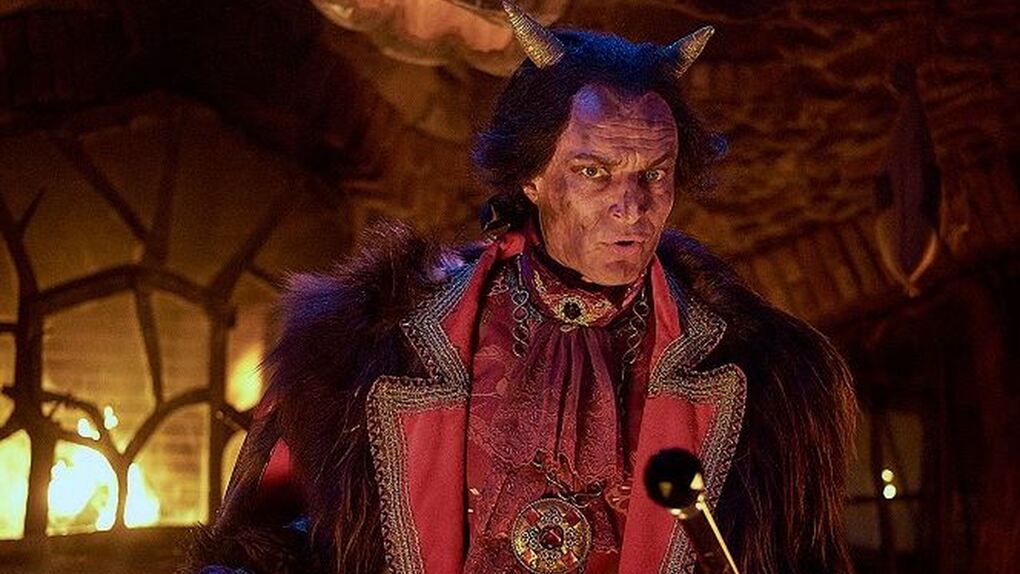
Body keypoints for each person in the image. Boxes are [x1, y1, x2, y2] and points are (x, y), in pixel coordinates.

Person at [184, 2, 856, 573]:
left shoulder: (768, 377)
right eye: (594, 172)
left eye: (655, 173)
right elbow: (271, 542)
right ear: (530, 177)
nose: (631, 206)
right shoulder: (362, 344)